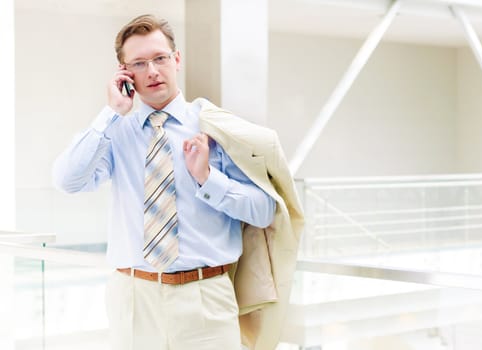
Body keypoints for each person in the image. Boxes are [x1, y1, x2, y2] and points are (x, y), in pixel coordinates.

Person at [53, 14, 304, 350]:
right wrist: (111, 112)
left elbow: (263, 211)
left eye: (160, 58)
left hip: (206, 300)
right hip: (133, 299)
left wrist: (208, 178)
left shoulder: (214, 127)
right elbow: (68, 180)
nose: (153, 71)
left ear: (177, 60)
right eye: (139, 63)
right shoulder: (115, 132)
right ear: (123, 74)